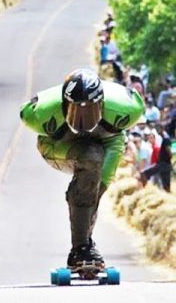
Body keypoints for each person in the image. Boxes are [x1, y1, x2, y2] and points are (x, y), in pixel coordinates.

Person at [20, 69, 144, 268]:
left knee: (95, 189)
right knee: (91, 156)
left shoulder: (127, 107)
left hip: (109, 141)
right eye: (75, 110)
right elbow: (25, 111)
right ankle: (82, 247)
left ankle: (83, 246)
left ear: (102, 104)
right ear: (64, 104)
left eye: (91, 110)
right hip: (58, 143)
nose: (83, 120)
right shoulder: (39, 113)